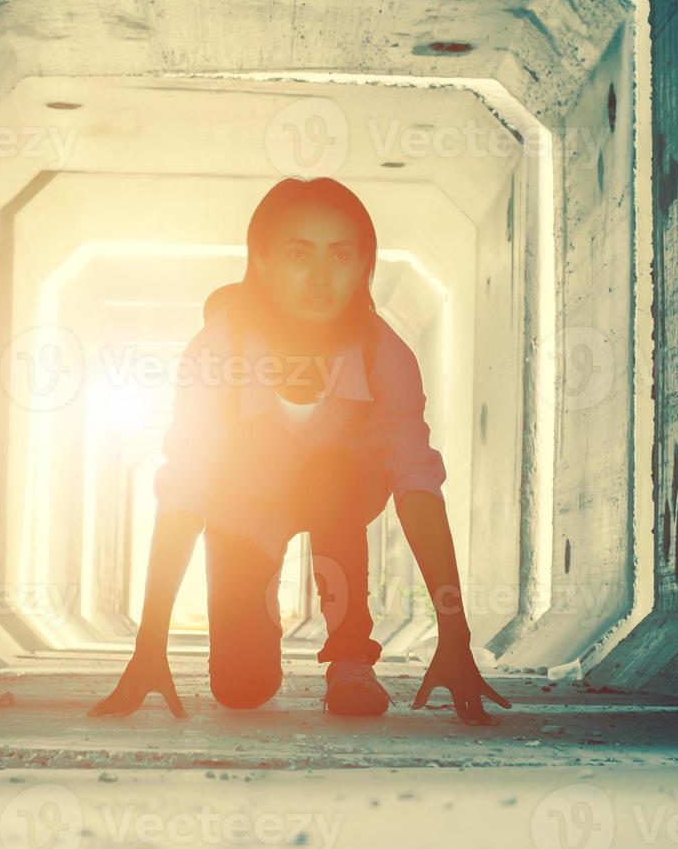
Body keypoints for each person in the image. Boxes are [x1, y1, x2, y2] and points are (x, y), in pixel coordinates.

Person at [87, 176, 509, 725]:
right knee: (241, 689)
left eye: (339, 254)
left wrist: (456, 634)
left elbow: (418, 486)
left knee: (330, 472)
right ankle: (257, 603)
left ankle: (351, 657)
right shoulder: (219, 349)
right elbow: (186, 484)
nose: (318, 277)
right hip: (243, 507)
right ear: (260, 262)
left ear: (363, 265)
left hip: (337, 493)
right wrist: (149, 644)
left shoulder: (385, 354)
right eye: (297, 254)